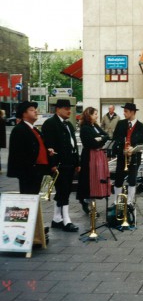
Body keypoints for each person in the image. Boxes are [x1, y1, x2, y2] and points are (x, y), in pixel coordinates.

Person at [42, 99, 81, 232]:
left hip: (69, 163)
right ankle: (66, 220)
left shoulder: (69, 124)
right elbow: (49, 146)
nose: (69, 111)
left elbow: (73, 144)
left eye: (69, 108)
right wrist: (52, 165)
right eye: (65, 108)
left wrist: (77, 162)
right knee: (63, 191)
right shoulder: (50, 124)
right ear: (57, 109)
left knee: (65, 190)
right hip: (59, 165)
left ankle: (56, 218)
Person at [7, 101, 51, 194]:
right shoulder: (19, 129)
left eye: (35, 109)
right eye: (31, 110)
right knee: (28, 197)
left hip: (38, 170)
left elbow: (38, 146)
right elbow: (18, 153)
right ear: (24, 114)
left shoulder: (34, 129)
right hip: (28, 172)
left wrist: (47, 151)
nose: (35, 111)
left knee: (34, 196)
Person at [112, 103, 143, 205]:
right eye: (124, 111)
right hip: (122, 156)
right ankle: (117, 200)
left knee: (132, 179)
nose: (124, 113)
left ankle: (130, 201)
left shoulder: (142, 127)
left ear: (132, 112)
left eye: (126, 111)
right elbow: (115, 138)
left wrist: (134, 148)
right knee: (118, 178)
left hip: (134, 157)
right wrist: (122, 149)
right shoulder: (120, 124)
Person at [77, 107, 110, 214]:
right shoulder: (85, 128)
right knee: (90, 181)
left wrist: (100, 138)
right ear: (89, 115)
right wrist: (100, 139)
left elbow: (106, 135)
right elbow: (91, 143)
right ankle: (89, 204)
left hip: (98, 155)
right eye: (95, 114)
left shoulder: (95, 126)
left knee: (96, 179)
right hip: (89, 157)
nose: (97, 116)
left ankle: (91, 203)